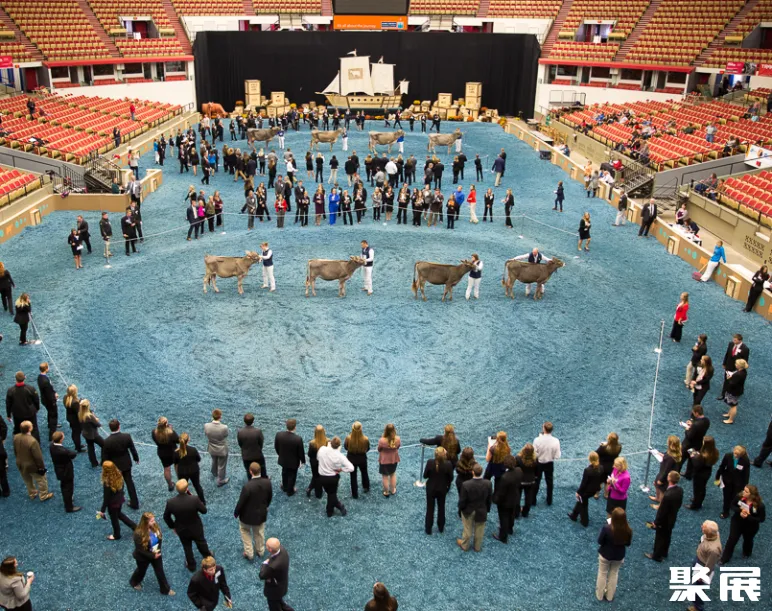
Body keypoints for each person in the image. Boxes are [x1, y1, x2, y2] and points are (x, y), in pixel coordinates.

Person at [163, 479, 210, 572]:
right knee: (201, 542)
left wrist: (173, 526)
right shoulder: (194, 499)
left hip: (181, 529)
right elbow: (204, 511)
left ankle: (191, 565)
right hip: (196, 527)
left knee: (187, 546)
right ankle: (208, 558)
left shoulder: (171, 502)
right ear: (187, 488)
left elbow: (166, 517)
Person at [234, 462, 273, 559]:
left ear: (250, 472)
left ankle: (249, 553)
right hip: (260, 515)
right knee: (259, 533)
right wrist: (266, 506)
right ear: (260, 470)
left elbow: (241, 502)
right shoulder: (267, 482)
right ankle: (260, 551)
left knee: (245, 531)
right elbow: (269, 497)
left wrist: (236, 513)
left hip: (246, 517)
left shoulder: (247, 486)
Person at [130, 512, 175, 596]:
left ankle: (165, 589)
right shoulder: (138, 533)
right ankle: (134, 582)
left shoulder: (155, 527)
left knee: (160, 571)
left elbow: (159, 538)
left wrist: (157, 551)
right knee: (141, 571)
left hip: (156, 553)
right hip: (143, 557)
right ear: (145, 522)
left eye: (153, 520)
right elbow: (140, 550)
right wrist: (153, 555)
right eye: (151, 521)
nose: (154, 522)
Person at [720, 485, 766, 563]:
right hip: (737, 522)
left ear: (751, 494)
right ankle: (724, 558)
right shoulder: (739, 497)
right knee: (732, 539)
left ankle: (747, 552)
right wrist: (739, 511)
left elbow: (761, 519)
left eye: (746, 491)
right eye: (744, 490)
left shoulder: (759, 505)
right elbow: (732, 505)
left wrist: (748, 516)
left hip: (751, 526)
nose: (743, 492)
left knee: (748, 540)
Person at [645, 471, 683, 562]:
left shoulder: (667, 495)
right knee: (667, 536)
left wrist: (656, 522)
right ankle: (664, 552)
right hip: (672, 518)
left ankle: (656, 556)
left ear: (669, 479)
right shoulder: (680, 490)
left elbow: (662, 512)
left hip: (664, 521)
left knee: (660, 537)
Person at [595, 508, 632, 602]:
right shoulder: (628, 530)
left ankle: (599, 595)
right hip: (619, 556)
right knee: (614, 574)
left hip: (605, 554)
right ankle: (609, 596)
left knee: (602, 573)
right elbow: (628, 544)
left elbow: (599, 541)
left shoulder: (606, 528)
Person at [102, 418, 139, 508]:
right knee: (129, 482)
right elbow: (132, 449)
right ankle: (135, 503)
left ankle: (118, 502)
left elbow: (105, 457)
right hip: (126, 463)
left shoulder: (107, 441)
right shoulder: (126, 436)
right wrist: (136, 458)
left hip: (115, 466)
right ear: (119, 426)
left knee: (118, 484)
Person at [13, 420, 53, 502]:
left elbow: (15, 450)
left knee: (27, 480)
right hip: (31, 465)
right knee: (41, 480)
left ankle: (32, 493)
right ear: (29, 428)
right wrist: (41, 467)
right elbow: (38, 457)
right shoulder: (32, 441)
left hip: (20, 463)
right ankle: (43, 495)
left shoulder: (16, 437)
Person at [456, 463, 492, 552]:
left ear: (473, 472)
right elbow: (489, 498)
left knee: (467, 529)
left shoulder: (466, 484)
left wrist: (461, 509)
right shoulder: (488, 483)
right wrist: (487, 509)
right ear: (482, 472)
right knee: (479, 529)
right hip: (481, 509)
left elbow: (462, 500)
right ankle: (477, 547)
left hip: (468, 510)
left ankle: (465, 545)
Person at [689, 520, 722, 611]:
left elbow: (710, 565)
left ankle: (698, 607)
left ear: (706, 532)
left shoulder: (713, 549)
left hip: (702, 566)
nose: (701, 527)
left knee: (699, 587)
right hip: (699, 560)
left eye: (703, 527)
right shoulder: (714, 534)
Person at [317, 436, 354, 517]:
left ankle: (335, 507)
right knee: (332, 494)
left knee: (330, 493)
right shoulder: (340, 456)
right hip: (333, 478)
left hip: (322, 476)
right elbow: (351, 468)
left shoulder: (322, 449)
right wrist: (342, 469)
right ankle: (333, 509)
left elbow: (318, 458)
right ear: (339, 446)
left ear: (330, 443)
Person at [99, 460, 136, 540]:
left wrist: (102, 510)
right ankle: (134, 526)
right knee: (119, 514)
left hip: (112, 504)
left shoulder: (107, 483)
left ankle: (117, 535)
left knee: (114, 519)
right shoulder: (119, 475)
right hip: (119, 500)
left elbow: (106, 498)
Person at [568, 452, 603, 527]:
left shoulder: (587, 470)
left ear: (589, 459)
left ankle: (584, 521)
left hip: (586, 491)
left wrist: (578, 492)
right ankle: (574, 515)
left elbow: (583, 484)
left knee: (583, 504)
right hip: (595, 489)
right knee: (581, 501)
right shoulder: (601, 468)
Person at [423, 447, 453, 534]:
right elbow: (451, 478)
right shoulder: (448, 464)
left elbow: (425, 476)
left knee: (430, 509)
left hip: (431, 488)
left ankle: (428, 529)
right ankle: (441, 527)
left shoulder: (430, 462)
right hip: (442, 489)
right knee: (441, 507)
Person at [492, 455, 521, 543]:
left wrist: (495, 500)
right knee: (511, 514)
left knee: (503, 518)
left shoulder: (505, 477)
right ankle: (510, 529)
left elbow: (501, 493)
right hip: (515, 498)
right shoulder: (519, 470)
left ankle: (503, 537)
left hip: (505, 502)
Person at [716, 445, 750, 519]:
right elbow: (722, 467)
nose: (735, 456)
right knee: (726, 496)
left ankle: (732, 504)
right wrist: (717, 478)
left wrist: (745, 485)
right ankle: (725, 512)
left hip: (738, 483)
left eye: (737, 455)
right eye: (734, 453)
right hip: (727, 480)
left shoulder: (745, 460)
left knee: (735, 496)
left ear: (741, 455)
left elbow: (746, 474)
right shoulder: (728, 456)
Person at [685, 436, 719, 510]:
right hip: (707, 472)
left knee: (697, 490)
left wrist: (693, 456)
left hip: (699, 474)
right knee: (702, 488)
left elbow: (697, 465)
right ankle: (698, 501)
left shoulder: (703, 456)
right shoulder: (715, 452)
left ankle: (695, 505)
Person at [49, 431, 80, 513]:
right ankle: (69, 507)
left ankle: (68, 499)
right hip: (66, 471)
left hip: (59, 470)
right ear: (60, 439)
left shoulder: (52, 446)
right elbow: (73, 454)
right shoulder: (62, 451)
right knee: (68, 488)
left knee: (64, 486)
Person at [259, 538, 294, 611]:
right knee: (280, 602)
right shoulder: (283, 550)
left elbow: (262, 575)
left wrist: (265, 563)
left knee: (274, 607)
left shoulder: (273, 566)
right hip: (281, 586)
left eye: (267, 546)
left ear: (270, 550)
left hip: (274, 591)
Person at [533, 421, 561, 506]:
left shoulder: (537, 440)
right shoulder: (556, 441)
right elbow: (557, 456)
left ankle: (533, 500)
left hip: (539, 463)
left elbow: (534, 453)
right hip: (549, 463)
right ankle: (549, 500)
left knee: (536, 481)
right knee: (549, 482)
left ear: (544, 428)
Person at [274, 418, 305, 496]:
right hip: (293, 462)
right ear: (295, 427)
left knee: (284, 472)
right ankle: (290, 491)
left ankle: (284, 487)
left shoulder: (279, 435)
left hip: (283, 460)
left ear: (286, 426)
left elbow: (276, 447)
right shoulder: (298, 439)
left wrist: (280, 454)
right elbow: (301, 452)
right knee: (292, 476)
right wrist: (303, 461)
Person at [6, 371, 40, 440]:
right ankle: (36, 444)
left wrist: (8, 415)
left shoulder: (10, 391)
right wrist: (37, 408)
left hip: (18, 414)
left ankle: (19, 443)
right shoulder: (31, 388)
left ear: (16, 379)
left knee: (18, 429)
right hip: (30, 413)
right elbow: (36, 400)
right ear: (25, 378)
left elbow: (8, 404)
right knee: (34, 429)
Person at [650, 435, 680, 509]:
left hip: (665, 475)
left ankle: (660, 505)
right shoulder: (672, 452)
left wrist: (661, 480)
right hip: (663, 472)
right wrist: (661, 454)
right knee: (655, 484)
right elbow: (666, 456)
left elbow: (667, 470)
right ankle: (657, 498)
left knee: (663, 491)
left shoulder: (670, 458)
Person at [174, 433, 205, 503]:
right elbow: (198, 459)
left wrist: (177, 474)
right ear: (188, 440)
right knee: (197, 486)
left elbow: (176, 464)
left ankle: (185, 501)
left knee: (183, 487)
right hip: (194, 470)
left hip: (182, 472)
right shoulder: (193, 450)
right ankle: (202, 501)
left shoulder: (176, 452)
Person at [152, 417, 179, 492]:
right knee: (177, 466)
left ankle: (170, 485)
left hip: (162, 453)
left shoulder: (154, 432)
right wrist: (171, 429)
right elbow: (178, 440)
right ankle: (180, 483)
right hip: (173, 452)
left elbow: (155, 440)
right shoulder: (170, 433)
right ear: (166, 424)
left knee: (167, 469)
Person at [344, 421, 370, 499]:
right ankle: (366, 487)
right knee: (364, 473)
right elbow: (368, 448)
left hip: (351, 459)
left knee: (353, 476)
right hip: (362, 459)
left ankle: (354, 494)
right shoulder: (365, 439)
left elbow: (346, 447)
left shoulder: (348, 438)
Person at [204, 409, 229, 487]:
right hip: (222, 449)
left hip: (211, 447)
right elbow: (226, 435)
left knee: (214, 460)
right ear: (220, 416)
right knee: (222, 465)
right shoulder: (224, 427)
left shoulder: (206, 425)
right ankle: (221, 480)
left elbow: (206, 434)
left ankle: (214, 472)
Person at [238, 413, 266, 479]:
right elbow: (261, 443)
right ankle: (264, 479)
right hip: (257, 455)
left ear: (244, 421)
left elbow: (240, 443)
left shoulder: (240, 432)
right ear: (253, 421)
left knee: (248, 470)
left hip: (246, 455)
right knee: (262, 468)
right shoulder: (258, 431)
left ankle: (251, 481)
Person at [378, 423, 401, 497]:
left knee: (385, 476)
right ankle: (393, 490)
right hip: (394, 459)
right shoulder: (398, 439)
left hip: (384, 460)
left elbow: (379, 449)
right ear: (394, 430)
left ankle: (386, 492)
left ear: (385, 431)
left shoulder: (382, 440)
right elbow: (398, 447)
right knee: (393, 474)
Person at [36, 363, 57, 441]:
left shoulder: (40, 377)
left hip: (44, 400)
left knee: (49, 412)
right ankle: (52, 434)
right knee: (53, 415)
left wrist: (54, 392)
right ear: (46, 369)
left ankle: (49, 424)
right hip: (49, 401)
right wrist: (54, 398)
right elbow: (49, 393)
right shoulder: (45, 381)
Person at [722, 358, 747, 424]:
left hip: (734, 391)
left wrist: (728, 378)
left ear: (739, 365)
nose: (735, 365)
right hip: (737, 390)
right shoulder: (743, 371)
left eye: (736, 364)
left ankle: (730, 419)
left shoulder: (739, 374)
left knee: (733, 405)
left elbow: (732, 383)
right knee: (731, 404)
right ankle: (729, 414)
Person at [515, 443, 536, 518]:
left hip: (519, 481)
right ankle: (525, 512)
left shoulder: (518, 458)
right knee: (529, 498)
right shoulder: (535, 460)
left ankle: (516, 513)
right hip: (530, 481)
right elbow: (537, 471)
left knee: (517, 497)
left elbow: (515, 469)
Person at [596, 432, 621, 497]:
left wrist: (602, 445)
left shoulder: (603, 447)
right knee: (608, 482)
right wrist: (606, 444)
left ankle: (596, 494)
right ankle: (606, 494)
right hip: (612, 467)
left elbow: (596, 454)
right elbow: (612, 447)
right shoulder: (619, 447)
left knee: (599, 481)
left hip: (602, 466)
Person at [305, 425, 327, 499]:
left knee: (315, 476)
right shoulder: (327, 441)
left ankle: (311, 489)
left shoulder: (312, 443)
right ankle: (318, 494)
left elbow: (309, 454)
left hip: (314, 463)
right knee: (320, 476)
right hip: (323, 462)